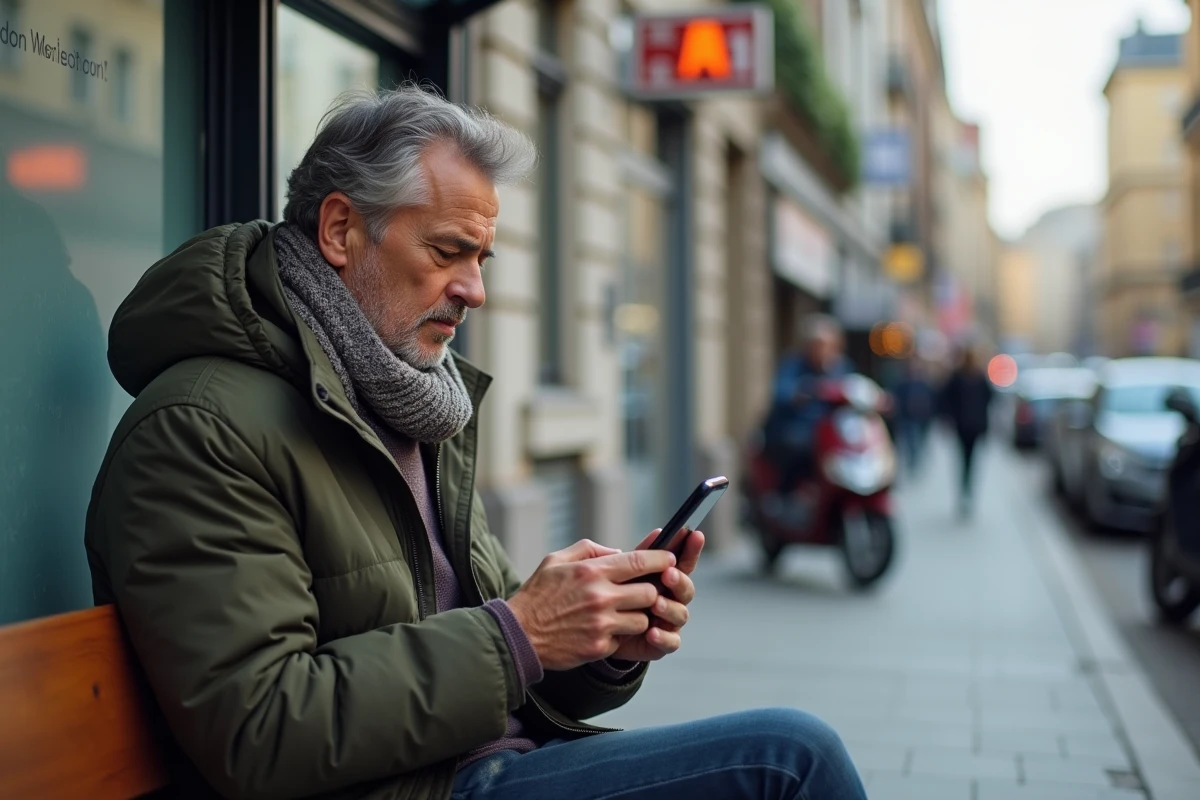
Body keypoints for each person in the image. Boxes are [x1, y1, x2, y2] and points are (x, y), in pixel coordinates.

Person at [84, 86, 866, 800]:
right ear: (340, 230)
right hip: (430, 787)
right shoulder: (200, 427)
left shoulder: (412, 401)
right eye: (446, 251)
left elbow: (504, 660)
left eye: (481, 258)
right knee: (791, 762)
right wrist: (522, 631)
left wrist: (600, 642)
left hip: (489, 766)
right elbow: (257, 732)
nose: (475, 289)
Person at [766, 314, 853, 492]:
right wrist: (802, 392)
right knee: (800, 446)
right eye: (818, 345)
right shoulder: (793, 365)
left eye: (828, 345)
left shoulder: (841, 367)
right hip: (798, 428)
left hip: (834, 432)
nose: (823, 350)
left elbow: (855, 388)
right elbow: (781, 393)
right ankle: (786, 494)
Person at [940, 346, 994, 517]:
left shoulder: (972, 377)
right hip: (968, 426)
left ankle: (966, 490)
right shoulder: (968, 377)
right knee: (967, 460)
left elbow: (989, 399)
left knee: (967, 460)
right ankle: (966, 489)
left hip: (970, 426)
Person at [892, 358, 937, 475]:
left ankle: (916, 460)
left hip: (922, 417)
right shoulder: (903, 383)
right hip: (908, 417)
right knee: (910, 440)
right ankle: (913, 460)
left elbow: (931, 399)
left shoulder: (924, 383)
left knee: (919, 440)